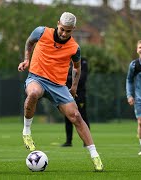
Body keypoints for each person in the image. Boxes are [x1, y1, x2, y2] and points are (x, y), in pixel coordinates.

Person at [18, 12, 103, 171]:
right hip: (37, 78)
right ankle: (27, 131)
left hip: (58, 85)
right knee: (34, 93)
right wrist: (27, 59)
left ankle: (95, 155)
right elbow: (29, 42)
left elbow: (77, 68)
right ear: (58, 23)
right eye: (62, 29)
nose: (64, 33)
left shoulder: (74, 47)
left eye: (68, 31)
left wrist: (74, 87)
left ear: (74, 29)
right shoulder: (41, 32)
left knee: (76, 116)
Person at [61, 57, 89, 147]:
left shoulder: (83, 62)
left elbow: (82, 78)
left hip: (79, 94)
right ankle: (68, 141)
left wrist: (69, 78)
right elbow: (61, 77)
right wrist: (72, 78)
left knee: (82, 116)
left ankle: (86, 141)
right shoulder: (66, 61)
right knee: (68, 116)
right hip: (67, 94)